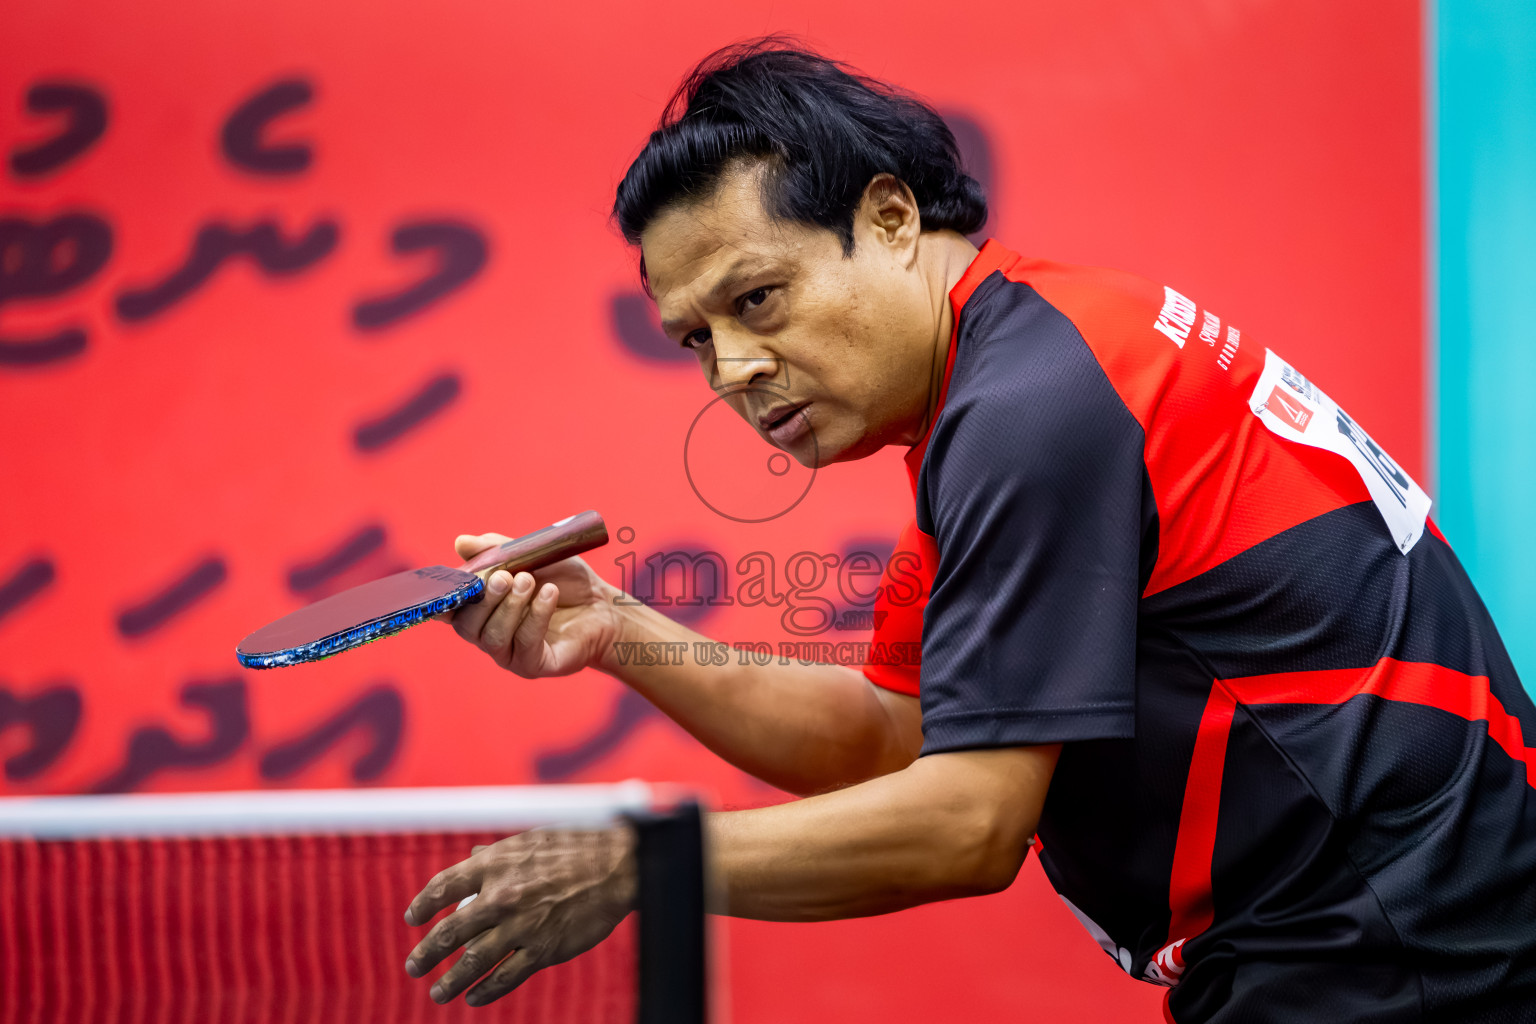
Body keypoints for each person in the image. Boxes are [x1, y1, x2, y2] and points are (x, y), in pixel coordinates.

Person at [401, 42, 1536, 1021]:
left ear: (891, 219)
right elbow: (891, 736)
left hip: (1409, 952)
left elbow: (968, 825)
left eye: (757, 299)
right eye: (695, 338)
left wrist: (637, 868)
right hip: (1397, 934)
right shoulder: (1024, 363)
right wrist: (618, 629)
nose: (734, 368)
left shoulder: (1031, 409)